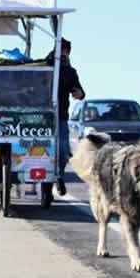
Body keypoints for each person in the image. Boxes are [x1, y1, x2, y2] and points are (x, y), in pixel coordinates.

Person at [45, 37, 85, 197]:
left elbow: (80, 91)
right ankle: (47, 183)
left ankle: (58, 176)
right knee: (44, 152)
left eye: (66, 52)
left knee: (63, 151)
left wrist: (80, 94)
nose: (63, 54)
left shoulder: (70, 72)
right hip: (43, 117)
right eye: (61, 50)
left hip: (61, 116)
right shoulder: (46, 66)